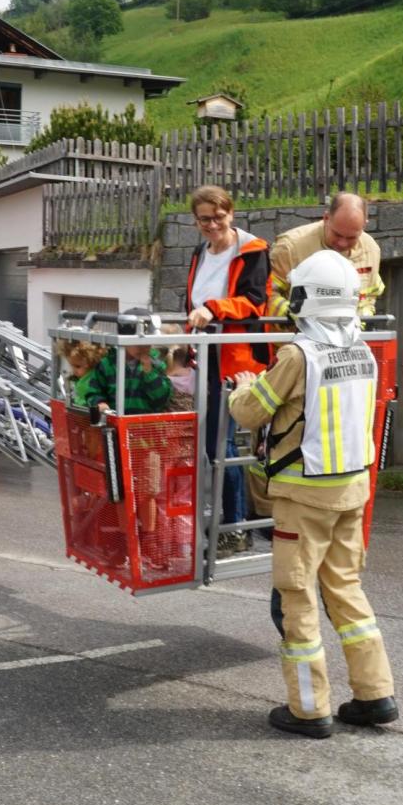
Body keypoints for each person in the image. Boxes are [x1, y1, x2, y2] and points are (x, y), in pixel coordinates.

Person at [230, 249, 398, 739]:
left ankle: (308, 709)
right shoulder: (362, 350)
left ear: (307, 299)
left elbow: (250, 413)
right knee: (345, 589)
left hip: (304, 496)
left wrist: (245, 385)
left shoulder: (298, 354)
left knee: (298, 595)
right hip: (352, 487)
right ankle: (375, 695)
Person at [184, 185, 269, 554]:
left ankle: (235, 528)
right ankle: (224, 520)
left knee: (224, 444)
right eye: (205, 219)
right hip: (204, 355)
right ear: (196, 221)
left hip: (236, 361)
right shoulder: (199, 251)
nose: (213, 224)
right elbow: (190, 302)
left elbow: (254, 301)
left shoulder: (252, 249)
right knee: (208, 445)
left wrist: (214, 309)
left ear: (231, 214)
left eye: (219, 217)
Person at [268, 191, 383, 323]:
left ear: (364, 225)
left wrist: (363, 317)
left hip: (350, 339)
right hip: (295, 338)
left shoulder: (371, 250)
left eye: (351, 237)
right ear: (326, 218)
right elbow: (268, 294)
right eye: (337, 235)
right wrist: (293, 315)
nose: (342, 243)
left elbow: (370, 294)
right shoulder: (290, 247)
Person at [82, 311, 173, 415]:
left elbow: (162, 399)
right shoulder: (107, 364)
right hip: (114, 426)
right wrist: (99, 403)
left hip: (145, 426)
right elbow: (93, 392)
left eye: (148, 343)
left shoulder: (156, 364)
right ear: (123, 340)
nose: (143, 347)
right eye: (137, 343)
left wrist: (149, 372)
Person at [57, 339, 106, 407]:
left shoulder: (90, 381)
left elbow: (86, 400)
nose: (74, 370)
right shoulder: (83, 378)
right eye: (72, 365)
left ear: (91, 364)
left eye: (78, 366)